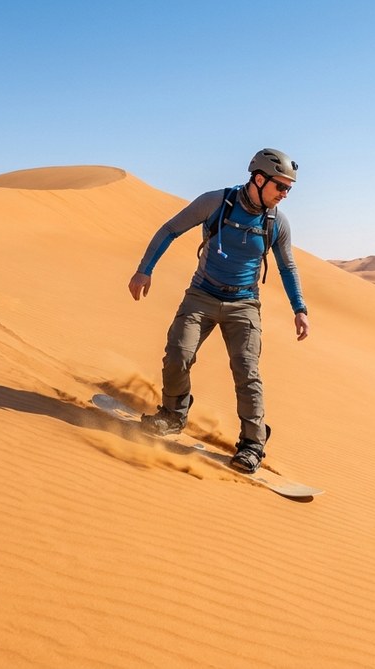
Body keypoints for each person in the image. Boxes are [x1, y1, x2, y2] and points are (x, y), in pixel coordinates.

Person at [127, 148, 309, 473]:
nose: (285, 194)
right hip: (202, 295)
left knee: (246, 372)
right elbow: (170, 229)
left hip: (244, 305)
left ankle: (253, 444)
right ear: (258, 178)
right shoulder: (216, 203)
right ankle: (172, 415)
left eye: (288, 189)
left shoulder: (276, 223)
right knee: (177, 355)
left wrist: (299, 308)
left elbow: (287, 267)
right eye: (280, 186)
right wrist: (145, 269)